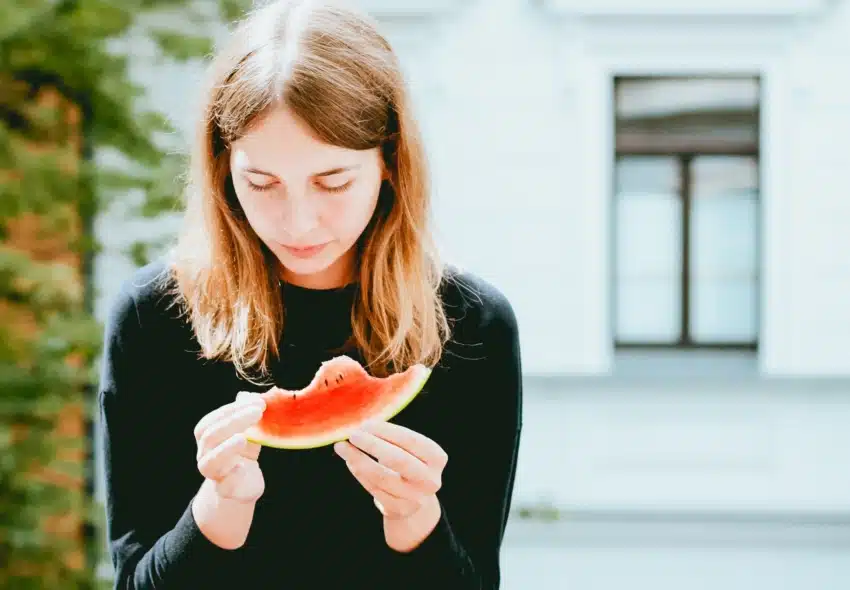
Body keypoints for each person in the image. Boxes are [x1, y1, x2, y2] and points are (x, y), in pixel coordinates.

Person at [97, 0, 523, 588]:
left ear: (390, 163)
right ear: (223, 171)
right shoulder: (154, 318)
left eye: (333, 182)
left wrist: (416, 521)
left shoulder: (471, 325)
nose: (298, 223)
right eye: (262, 183)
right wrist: (219, 511)